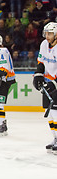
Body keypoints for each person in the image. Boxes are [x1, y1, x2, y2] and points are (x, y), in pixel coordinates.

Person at [32, 22, 57, 153]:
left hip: (55, 83)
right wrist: (38, 75)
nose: (47, 36)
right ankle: (55, 138)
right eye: (46, 33)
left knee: (55, 112)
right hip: (48, 82)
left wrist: (54, 82)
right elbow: (41, 62)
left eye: (50, 33)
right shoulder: (43, 45)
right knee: (50, 115)